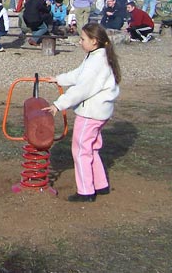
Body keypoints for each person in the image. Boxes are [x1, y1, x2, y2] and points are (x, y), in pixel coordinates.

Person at [42, 23, 121, 202]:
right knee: (91, 148)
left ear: (94, 41)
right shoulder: (97, 56)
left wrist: (58, 104)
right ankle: (101, 185)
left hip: (90, 113)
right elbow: (79, 74)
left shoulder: (95, 62)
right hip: (100, 111)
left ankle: (86, 191)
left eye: (82, 39)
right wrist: (59, 79)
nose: (79, 42)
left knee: (80, 151)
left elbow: (82, 89)